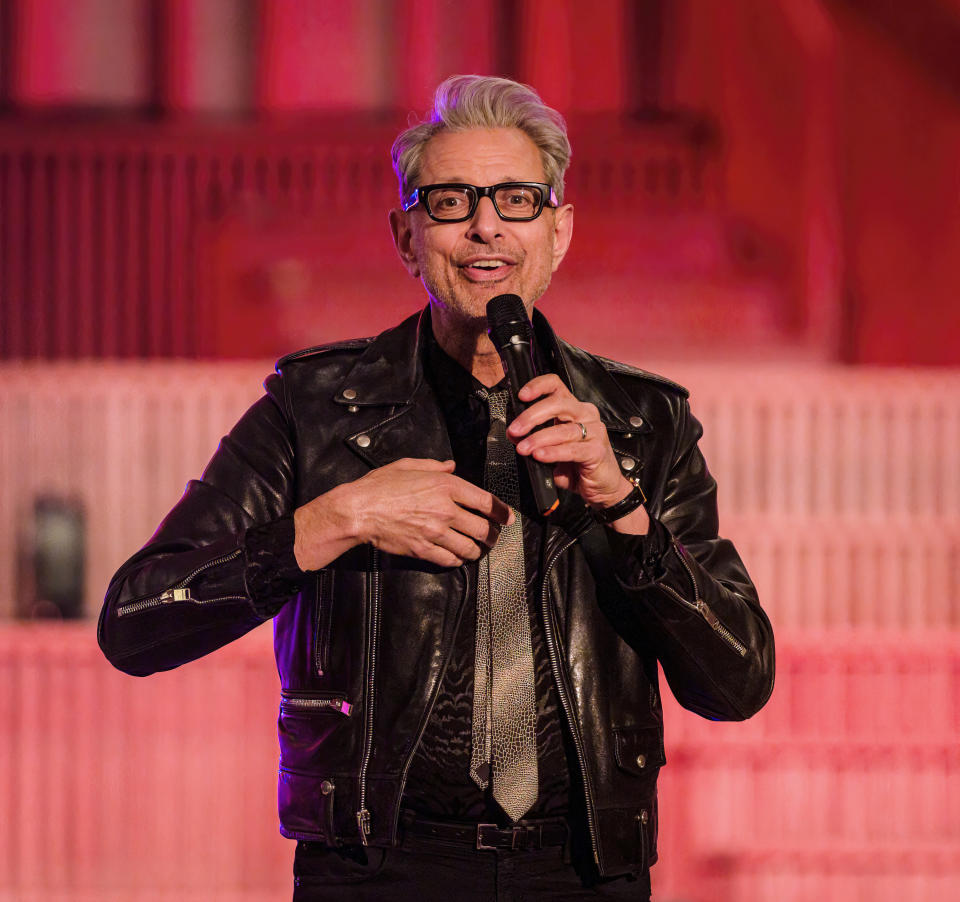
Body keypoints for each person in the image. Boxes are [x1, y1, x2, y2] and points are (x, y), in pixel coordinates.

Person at [99, 75, 774, 901]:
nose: (485, 225)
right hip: (379, 867)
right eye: (451, 201)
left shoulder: (643, 422)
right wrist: (334, 519)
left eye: (518, 200)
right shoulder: (315, 410)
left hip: (586, 867)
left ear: (559, 232)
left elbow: (738, 682)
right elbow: (135, 621)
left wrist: (625, 509)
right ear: (406, 236)